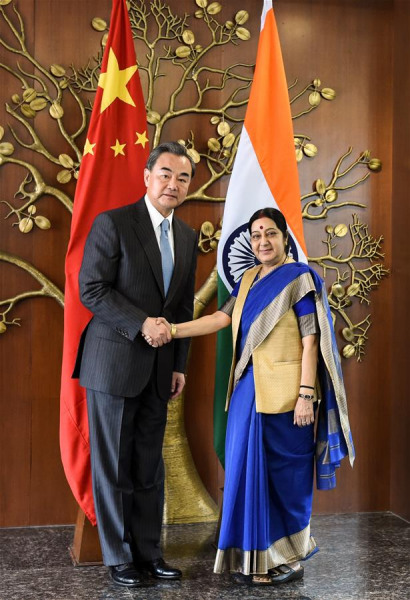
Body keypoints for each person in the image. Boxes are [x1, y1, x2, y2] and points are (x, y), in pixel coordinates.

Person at [152, 207, 355, 586]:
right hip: (246, 392)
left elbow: (311, 342)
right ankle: (254, 560)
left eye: (271, 234)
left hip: (288, 395)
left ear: (284, 239)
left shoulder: (299, 279)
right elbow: (220, 319)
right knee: (246, 472)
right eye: (257, 234)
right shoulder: (246, 279)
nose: (263, 241)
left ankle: (290, 558)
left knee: (286, 474)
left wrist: (306, 395)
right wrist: (173, 329)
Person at [73, 141, 198, 587]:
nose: (173, 184)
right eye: (165, 173)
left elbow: (182, 307)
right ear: (147, 176)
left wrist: (179, 363)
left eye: (183, 177)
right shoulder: (113, 223)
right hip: (113, 364)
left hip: (161, 370)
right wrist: (142, 322)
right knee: (114, 465)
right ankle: (119, 557)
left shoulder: (186, 236)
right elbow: (92, 289)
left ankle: (149, 553)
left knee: (149, 465)